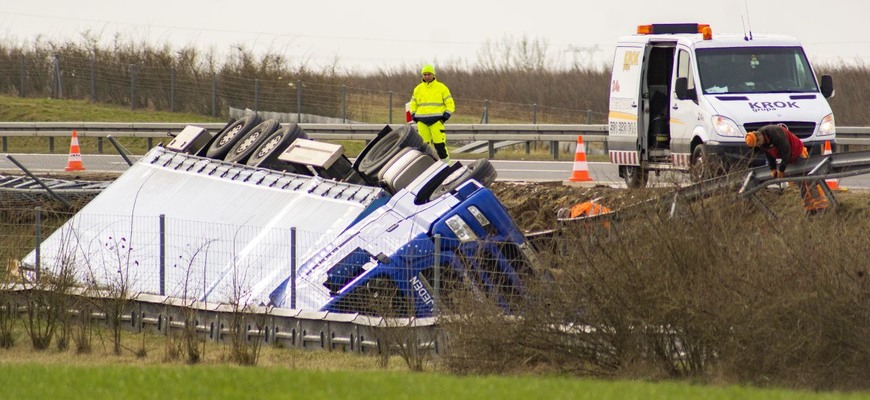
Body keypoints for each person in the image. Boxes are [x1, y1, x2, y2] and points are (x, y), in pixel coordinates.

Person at [745, 123, 828, 214]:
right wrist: (773, 168)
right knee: (801, 184)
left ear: (759, 138)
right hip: (789, 158)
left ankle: (821, 206)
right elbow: (769, 155)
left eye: (758, 144)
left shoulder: (775, 133)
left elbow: (786, 152)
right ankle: (810, 208)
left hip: (798, 153)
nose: (759, 146)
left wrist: (781, 170)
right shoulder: (763, 142)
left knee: (808, 181)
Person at [409, 64, 455, 163]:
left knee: (440, 146)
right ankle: (427, 167)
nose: (427, 76)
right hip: (422, 122)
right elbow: (413, 104)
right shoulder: (418, 89)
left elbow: (450, 104)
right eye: (425, 74)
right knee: (424, 148)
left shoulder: (441, 87)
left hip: (436, 122)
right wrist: (414, 116)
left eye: (429, 74)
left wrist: (444, 117)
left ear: (433, 75)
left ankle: (447, 166)